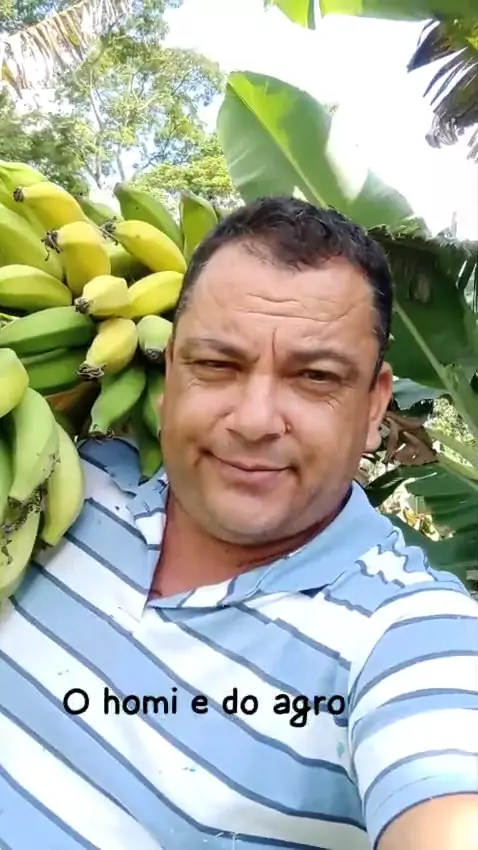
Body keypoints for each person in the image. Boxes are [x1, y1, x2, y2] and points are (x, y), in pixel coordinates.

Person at [0, 196, 476, 850]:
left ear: (374, 406)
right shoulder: (59, 485)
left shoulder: (405, 634)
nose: (254, 421)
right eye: (217, 365)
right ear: (171, 368)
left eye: (315, 377)